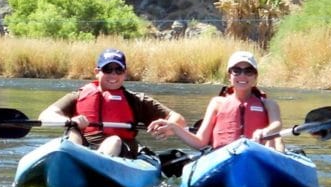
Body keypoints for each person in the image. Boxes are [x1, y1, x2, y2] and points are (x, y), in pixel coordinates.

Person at [39, 48, 187, 157]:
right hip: (82, 148)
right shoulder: (78, 96)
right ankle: (73, 161)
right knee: (72, 131)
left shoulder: (136, 100)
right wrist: (70, 121)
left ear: (125, 73)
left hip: (119, 152)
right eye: (108, 69)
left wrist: (169, 127)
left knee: (114, 140)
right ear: (97, 71)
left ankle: (93, 167)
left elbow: (178, 119)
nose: (113, 75)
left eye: (118, 70)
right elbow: (46, 115)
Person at [165, 50, 284, 152]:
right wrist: (174, 127)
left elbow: (277, 125)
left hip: (257, 154)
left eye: (248, 71)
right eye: (236, 71)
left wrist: (266, 131)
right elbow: (200, 142)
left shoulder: (269, 104)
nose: (242, 76)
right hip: (224, 156)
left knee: (275, 141)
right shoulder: (217, 103)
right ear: (229, 76)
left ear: (255, 76)